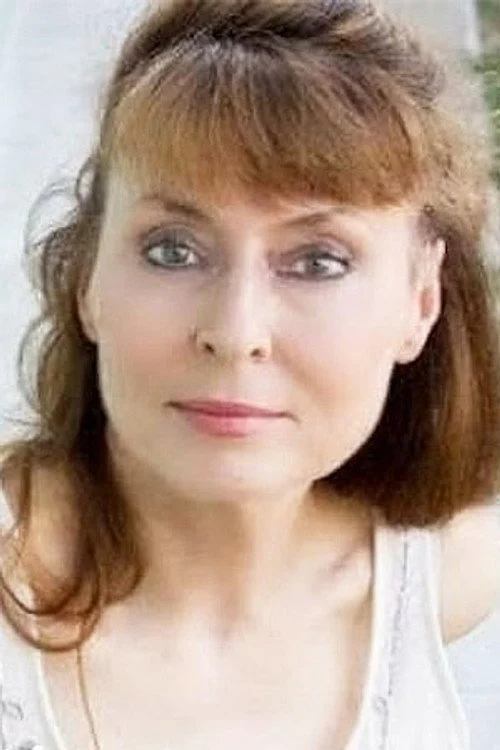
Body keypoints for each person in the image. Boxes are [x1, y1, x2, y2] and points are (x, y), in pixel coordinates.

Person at [0, 0, 499, 748]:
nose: (236, 335)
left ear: (421, 299)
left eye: (318, 261)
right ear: (87, 281)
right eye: (172, 250)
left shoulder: (451, 574)